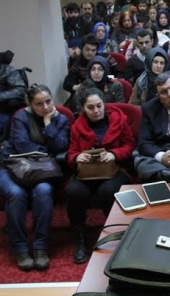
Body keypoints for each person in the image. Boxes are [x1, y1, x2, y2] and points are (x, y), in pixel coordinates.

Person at [0, 84, 70, 271]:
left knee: (44, 191)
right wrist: (47, 152)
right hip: (10, 168)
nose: (45, 107)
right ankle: (20, 248)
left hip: (41, 171)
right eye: (39, 104)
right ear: (29, 104)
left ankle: (40, 247)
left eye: (48, 102)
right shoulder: (20, 117)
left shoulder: (62, 119)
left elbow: (60, 146)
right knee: (15, 193)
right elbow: (22, 146)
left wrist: (47, 123)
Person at [65, 87, 134, 264]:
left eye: (99, 105)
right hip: (88, 173)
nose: (96, 111)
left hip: (114, 169)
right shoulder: (76, 126)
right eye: (90, 107)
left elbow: (129, 145)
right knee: (73, 191)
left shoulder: (118, 119)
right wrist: (77, 156)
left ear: (104, 104)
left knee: (107, 191)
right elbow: (71, 153)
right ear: (83, 109)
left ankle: (115, 236)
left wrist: (114, 154)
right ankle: (80, 237)